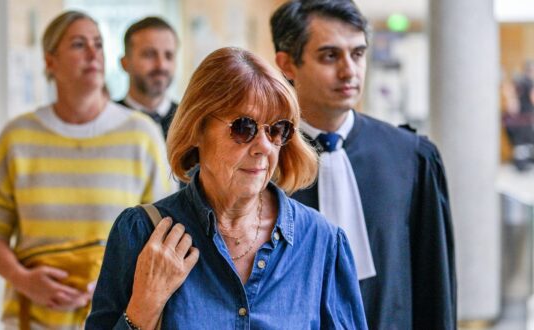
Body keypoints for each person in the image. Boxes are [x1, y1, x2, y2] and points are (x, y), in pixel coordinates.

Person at [86, 47, 367, 329]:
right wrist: (143, 307)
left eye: (276, 129)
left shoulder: (321, 242)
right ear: (197, 130)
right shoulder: (142, 233)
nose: (263, 147)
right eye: (244, 128)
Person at [0, 11, 175, 329]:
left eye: (98, 44)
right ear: (50, 61)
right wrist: (23, 279)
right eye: (79, 44)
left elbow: (164, 232)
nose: (93, 53)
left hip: (120, 317)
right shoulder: (17, 137)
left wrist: (119, 285)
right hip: (34, 318)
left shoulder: (141, 134)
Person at [270, 0, 456, 329]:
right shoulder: (260, 160)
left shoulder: (411, 157)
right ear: (287, 64)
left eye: (357, 54)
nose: (349, 71)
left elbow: (434, 286)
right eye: (330, 56)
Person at [117, 16, 179, 138]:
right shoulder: (106, 121)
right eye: (149, 54)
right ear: (125, 63)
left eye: (168, 55)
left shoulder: (192, 122)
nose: (161, 65)